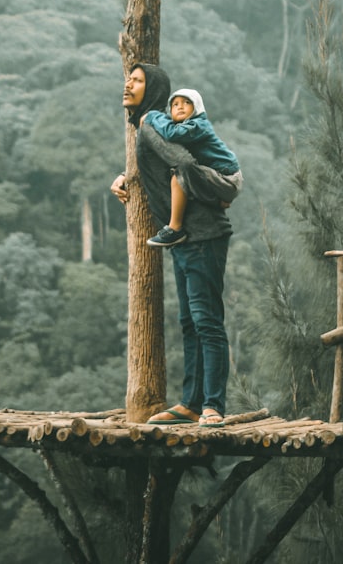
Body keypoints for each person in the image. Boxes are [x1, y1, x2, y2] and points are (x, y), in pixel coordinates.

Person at [110, 63, 233, 428]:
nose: (128, 84)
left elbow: (181, 161)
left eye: (137, 81)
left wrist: (212, 190)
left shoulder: (152, 121)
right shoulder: (147, 126)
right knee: (190, 323)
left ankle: (213, 405)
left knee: (206, 321)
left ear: (153, 89)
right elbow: (159, 165)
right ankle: (191, 403)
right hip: (183, 238)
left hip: (203, 234)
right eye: (128, 79)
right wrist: (125, 175)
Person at [142, 88, 242, 247]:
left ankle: (175, 229)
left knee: (180, 175)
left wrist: (153, 116)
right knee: (181, 173)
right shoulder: (186, 126)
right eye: (175, 105)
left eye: (187, 103)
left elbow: (172, 133)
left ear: (197, 107)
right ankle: (216, 201)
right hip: (216, 177)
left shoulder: (198, 125)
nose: (180, 107)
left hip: (227, 179)